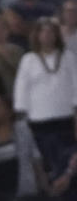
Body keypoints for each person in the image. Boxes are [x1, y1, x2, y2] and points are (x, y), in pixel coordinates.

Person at [13, 17, 77, 173]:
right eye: (43, 31)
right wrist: (22, 115)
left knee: (66, 162)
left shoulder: (68, 57)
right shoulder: (28, 60)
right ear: (37, 35)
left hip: (65, 120)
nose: (47, 35)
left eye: (51, 32)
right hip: (38, 122)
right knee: (44, 165)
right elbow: (21, 89)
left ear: (56, 35)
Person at [0, 93, 48, 198]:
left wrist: (44, 187)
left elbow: (36, 160)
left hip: (23, 192)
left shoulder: (23, 130)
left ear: (9, 111)